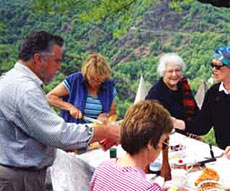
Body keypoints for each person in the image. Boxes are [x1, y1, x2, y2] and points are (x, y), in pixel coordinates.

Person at [0, 31, 120, 191]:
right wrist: (104, 131)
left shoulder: (11, 79)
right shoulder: (26, 90)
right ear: (38, 59)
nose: (59, 67)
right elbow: (59, 134)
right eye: (56, 61)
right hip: (21, 178)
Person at [90, 100, 173, 191]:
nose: (163, 148)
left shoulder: (102, 168)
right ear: (150, 143)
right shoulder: (147, 188)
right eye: (164, 142)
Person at [46, 53, 117, 124]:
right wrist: (70, 107)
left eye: (99, 80)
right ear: (86, 74)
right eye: (92, 79)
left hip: (97, 131)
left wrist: (105, 115)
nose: (95, 82)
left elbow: (112, 112)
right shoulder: (74, 80)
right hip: (73, 130)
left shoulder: (109, 85)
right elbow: (50, 97)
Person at [146, 53, 199, 135]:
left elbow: (196, 114)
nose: (174, 74)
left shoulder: (184, 88)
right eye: (170, 71)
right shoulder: (156, 93)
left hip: (188, 135)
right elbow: (151, 122)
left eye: (177, 70)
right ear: (163, 73)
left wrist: (192, 130)